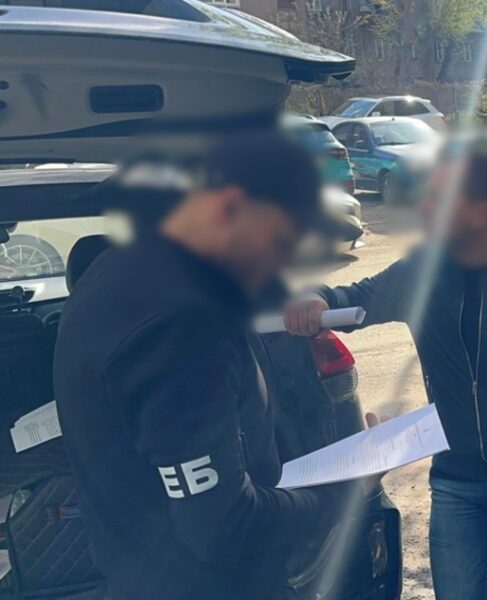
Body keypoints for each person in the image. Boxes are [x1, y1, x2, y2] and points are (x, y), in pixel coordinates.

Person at [284, 150, 487, 600]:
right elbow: (352, 297)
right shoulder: (419, 274)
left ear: (482, 210)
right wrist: (316, 296)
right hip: (456, 479)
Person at [54, 133, 358, 600]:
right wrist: (345, 494)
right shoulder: (183, 324)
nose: (285, 264)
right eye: (281, 241)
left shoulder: (109, 276)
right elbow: (225, 527)